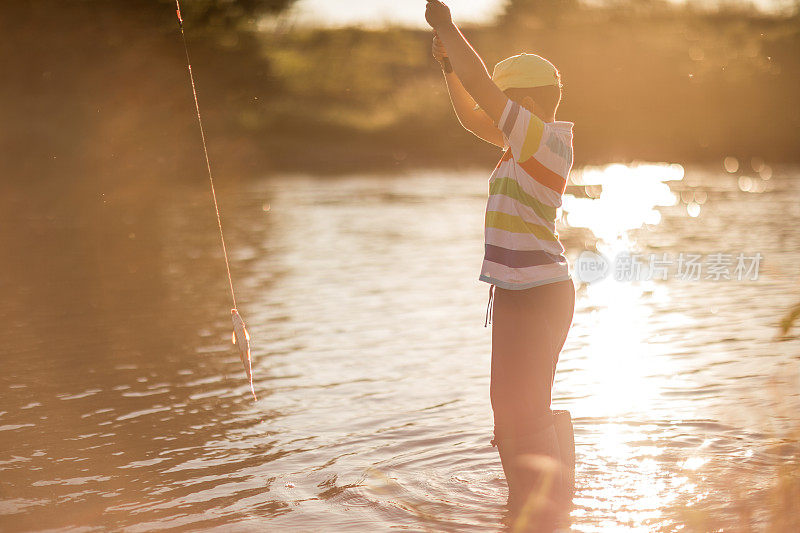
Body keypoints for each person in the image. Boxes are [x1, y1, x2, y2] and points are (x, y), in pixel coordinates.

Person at [424, 1, 576, 528]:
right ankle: (549, 505)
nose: (497, 113)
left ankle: (537, 509)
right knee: (518, 404)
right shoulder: (522, 141)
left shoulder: (542, 139)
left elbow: (482, 93)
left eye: (506, 104)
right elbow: (471, 113)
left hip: (538, 291)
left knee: (518, 408)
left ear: (529, 103)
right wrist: (448, 66)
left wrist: (446, 26)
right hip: (520, 290)